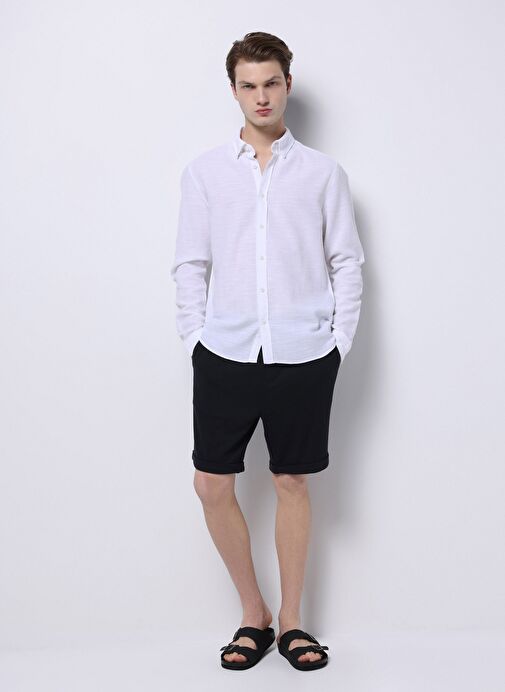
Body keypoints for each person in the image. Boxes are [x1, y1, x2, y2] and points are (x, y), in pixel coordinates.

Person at [170, 31, 365, 671]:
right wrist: (195, 338)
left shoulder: (323, 173)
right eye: (249, 85)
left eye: (271, 83)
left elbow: (346, 262)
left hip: (304, 352)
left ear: (288, 85)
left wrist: (337, 344)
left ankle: (293, 622)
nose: (261, 96)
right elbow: (190, 263)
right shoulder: (204, 173)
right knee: (210, 483)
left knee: (291, 479)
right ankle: (252, 612)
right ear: (234, 90)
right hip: (223, 350)